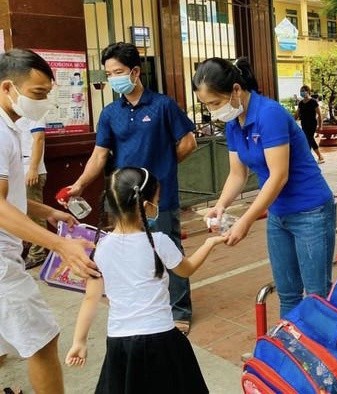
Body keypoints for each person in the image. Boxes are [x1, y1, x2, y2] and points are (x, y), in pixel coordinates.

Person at [66, 42, 198, 335]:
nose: (114, 78)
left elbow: (189, 141)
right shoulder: (111, 113)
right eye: (109, 73)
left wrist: (163, 166)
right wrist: (79, 184)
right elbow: (100, 155)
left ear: (135, 71)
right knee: (130, 250)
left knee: (168, 247)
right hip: (124, 198)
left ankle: (180, 310)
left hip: (158, 196)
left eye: (118, 72)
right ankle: (138, 302)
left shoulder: (163, 105)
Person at [193, 57, 336, 317]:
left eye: (215, 103)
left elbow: (278, 176)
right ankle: (289, 352)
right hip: (279, 214)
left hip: (310, 211)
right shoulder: (233, 122)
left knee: (316, 294)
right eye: (207, 105)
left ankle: (320, 353)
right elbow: (237, 173)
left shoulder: (268, 114)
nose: (214, 111)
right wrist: (221, 205)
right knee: (288, 293)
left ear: (236, 89)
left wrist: (246, 221)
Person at [65, 168, 224, 393]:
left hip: (120, 343)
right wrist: (210, 243)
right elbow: (186, 270)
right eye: (157, 201)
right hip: (163, 339)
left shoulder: (100, 248)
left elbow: (91, 298)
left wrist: (79, 342)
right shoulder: (158, 242)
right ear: (147, 205)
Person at [0, 48, 98, 394]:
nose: (43, 102)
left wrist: (46, 212)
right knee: (42, 340)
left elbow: (8, 198)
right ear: (8, 87)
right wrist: (59, 244)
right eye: (37, 94)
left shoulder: (10, 126)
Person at [18, 117, 48, 268]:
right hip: (16, 170)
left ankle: (38, 253)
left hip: (30, 170)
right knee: (19, 211)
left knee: (35, 213)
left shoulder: (36, 112)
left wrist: (33, 169)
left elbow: (39, 139)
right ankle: (25, 245)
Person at [294, 85, 324, 163]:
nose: (302, 92)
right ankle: (314, 157)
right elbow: (297, 114)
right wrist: (291, 120)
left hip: (312, 124)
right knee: (309, 139)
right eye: (301, 91)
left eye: (304, 90)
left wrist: (320, 126)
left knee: (309, 138)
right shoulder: (301, 103)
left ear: (308, 92)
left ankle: (315, 157)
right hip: (304, 123)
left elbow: (320, 114)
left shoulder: (313, 101)